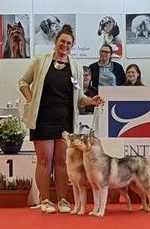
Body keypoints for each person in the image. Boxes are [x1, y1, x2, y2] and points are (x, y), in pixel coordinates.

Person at [18, 23, 103, 214]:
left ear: (72, 46)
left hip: (65, 121)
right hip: (42, 118)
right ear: (56, 42)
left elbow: (79, 99)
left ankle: (63, 200)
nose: (65, 45)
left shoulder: (77, 68)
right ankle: (45, 200)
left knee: (62, 161)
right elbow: (23, 81)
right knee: (44, 160)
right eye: (62, 41)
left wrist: (92, 100)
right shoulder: (40, 61)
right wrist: (31, 100)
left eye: (69, 43)